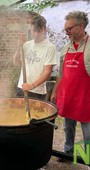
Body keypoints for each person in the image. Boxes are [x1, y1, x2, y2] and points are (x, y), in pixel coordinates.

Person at [50, 11, 90, 162]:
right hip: (69, 97)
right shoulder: (66, 48)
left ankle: (87, 159)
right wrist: (55, 91)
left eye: (69, 29)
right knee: (68, 128)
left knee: (88, 134)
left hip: (86, 99)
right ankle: (68, 153)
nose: (66, 33)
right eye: (65, 29)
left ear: (80, 26)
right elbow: (61, 74)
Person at [13, 15, 56, 100]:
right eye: (34, 31)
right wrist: (19, 47)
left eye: (39, 31)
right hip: (21, 87)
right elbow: (16, 62)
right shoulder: (27, 44)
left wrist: (32, 85)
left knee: (36, 113)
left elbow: (47, 72)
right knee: (19, 113)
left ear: (44, 29)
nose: (36, 34)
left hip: (37, 92)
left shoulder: (49, 47)